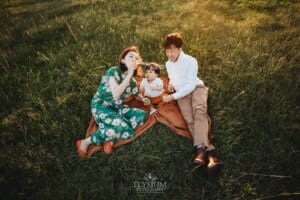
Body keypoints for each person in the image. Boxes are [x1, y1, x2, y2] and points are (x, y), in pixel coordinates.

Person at [162, 32, 221, 168]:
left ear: (180, 49)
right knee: (189, 120)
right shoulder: (168, 63)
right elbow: (173, 76)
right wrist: (171, 83)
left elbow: (189, 85)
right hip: (182, 94)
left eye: (172, 51)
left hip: (196, 88)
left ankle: (200, 152)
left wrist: (172, 97)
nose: (170, 55)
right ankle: (210, 154)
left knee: (199, 112)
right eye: (167, 51)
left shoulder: (191, 61)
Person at [76, 46, 147, 157]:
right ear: (123, 60)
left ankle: (110, 137)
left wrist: (143, 99)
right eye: (130, 56)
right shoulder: (113, 71)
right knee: (121, 126)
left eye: (136, 58)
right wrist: (129, 74)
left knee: (141, 115)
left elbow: (136, 94)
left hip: (117, 107)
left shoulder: (132, 81)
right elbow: (116, 94)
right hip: (101, 106)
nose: (134, 59)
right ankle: (86, 141)